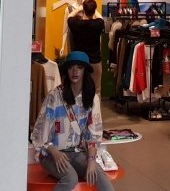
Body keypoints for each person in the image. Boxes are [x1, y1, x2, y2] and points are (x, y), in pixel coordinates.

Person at [30, 51, 114, 191]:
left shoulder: (92, 98)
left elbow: (93, 135)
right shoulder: (54, 96)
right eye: (71, 67)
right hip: (51, 154)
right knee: (70, 178)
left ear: (85, 71)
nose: (75, 71)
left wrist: (91, 161)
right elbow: (39, 134)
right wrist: (54, 152)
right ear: (66, 71)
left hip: (76, 152)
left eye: (79, 67)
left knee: (101, 178)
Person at [67, 0, 106, 93]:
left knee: (78, 90)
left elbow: (69, 16)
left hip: (80, 62)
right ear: (94, 10)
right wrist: (93, 10)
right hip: (95, 62)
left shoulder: (76, 24)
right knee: (96, 91)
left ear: (84, 10)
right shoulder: (98, 24)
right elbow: (100, 17)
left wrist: (78, 9)